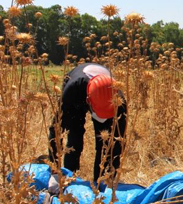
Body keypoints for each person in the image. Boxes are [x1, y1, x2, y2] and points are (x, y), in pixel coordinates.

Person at [47, 63, 127, 194]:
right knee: (74, 136)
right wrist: (55, 171)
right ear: (88, 101)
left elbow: (117, 144)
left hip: (105, 103)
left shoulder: (119, 101)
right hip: (79, 92)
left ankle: (100, 182)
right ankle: (69, 176)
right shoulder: (71, 91)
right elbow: (56, 131)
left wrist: (108, 178)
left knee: (106, 144)